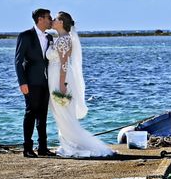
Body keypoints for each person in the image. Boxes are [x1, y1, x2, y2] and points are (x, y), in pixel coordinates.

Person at [47, 11, 114, 158]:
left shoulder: (64, 39)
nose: (52, 20)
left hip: (60, 78)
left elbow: (64, 63)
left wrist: (62, 84)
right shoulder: (60, 38)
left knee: (63, 111)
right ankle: (68, 143)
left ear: (62, 23)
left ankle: (72, 145)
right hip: (55, 77)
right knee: (61, 112)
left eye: (56, 19)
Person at [15, 9, 56, 157]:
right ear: (40, 19)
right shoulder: (25, 36)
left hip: (46, 82)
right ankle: (27, 148)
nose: (51, 20)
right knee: (30, 113)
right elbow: (18, 61)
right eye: (48, 17)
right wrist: (22, 82)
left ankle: (43, 148)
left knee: (43, 115)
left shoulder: (50, 37)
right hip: (30, 82)